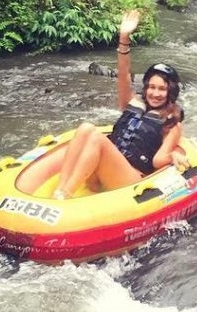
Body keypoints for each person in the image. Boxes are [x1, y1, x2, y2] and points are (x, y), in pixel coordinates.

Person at [53, 10, 189, 199]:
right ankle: (60, 189)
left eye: (162, 89)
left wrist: (173, 154)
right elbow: (124, 75)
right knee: (86, 127)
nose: (155, 93)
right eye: (151, 87)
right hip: (104, 169)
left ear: (170, 92)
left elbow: (158, 160)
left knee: (97, 139)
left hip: (130, 180)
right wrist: (123, 38)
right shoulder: (132, 102)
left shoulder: (172, 122)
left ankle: (66, 195)